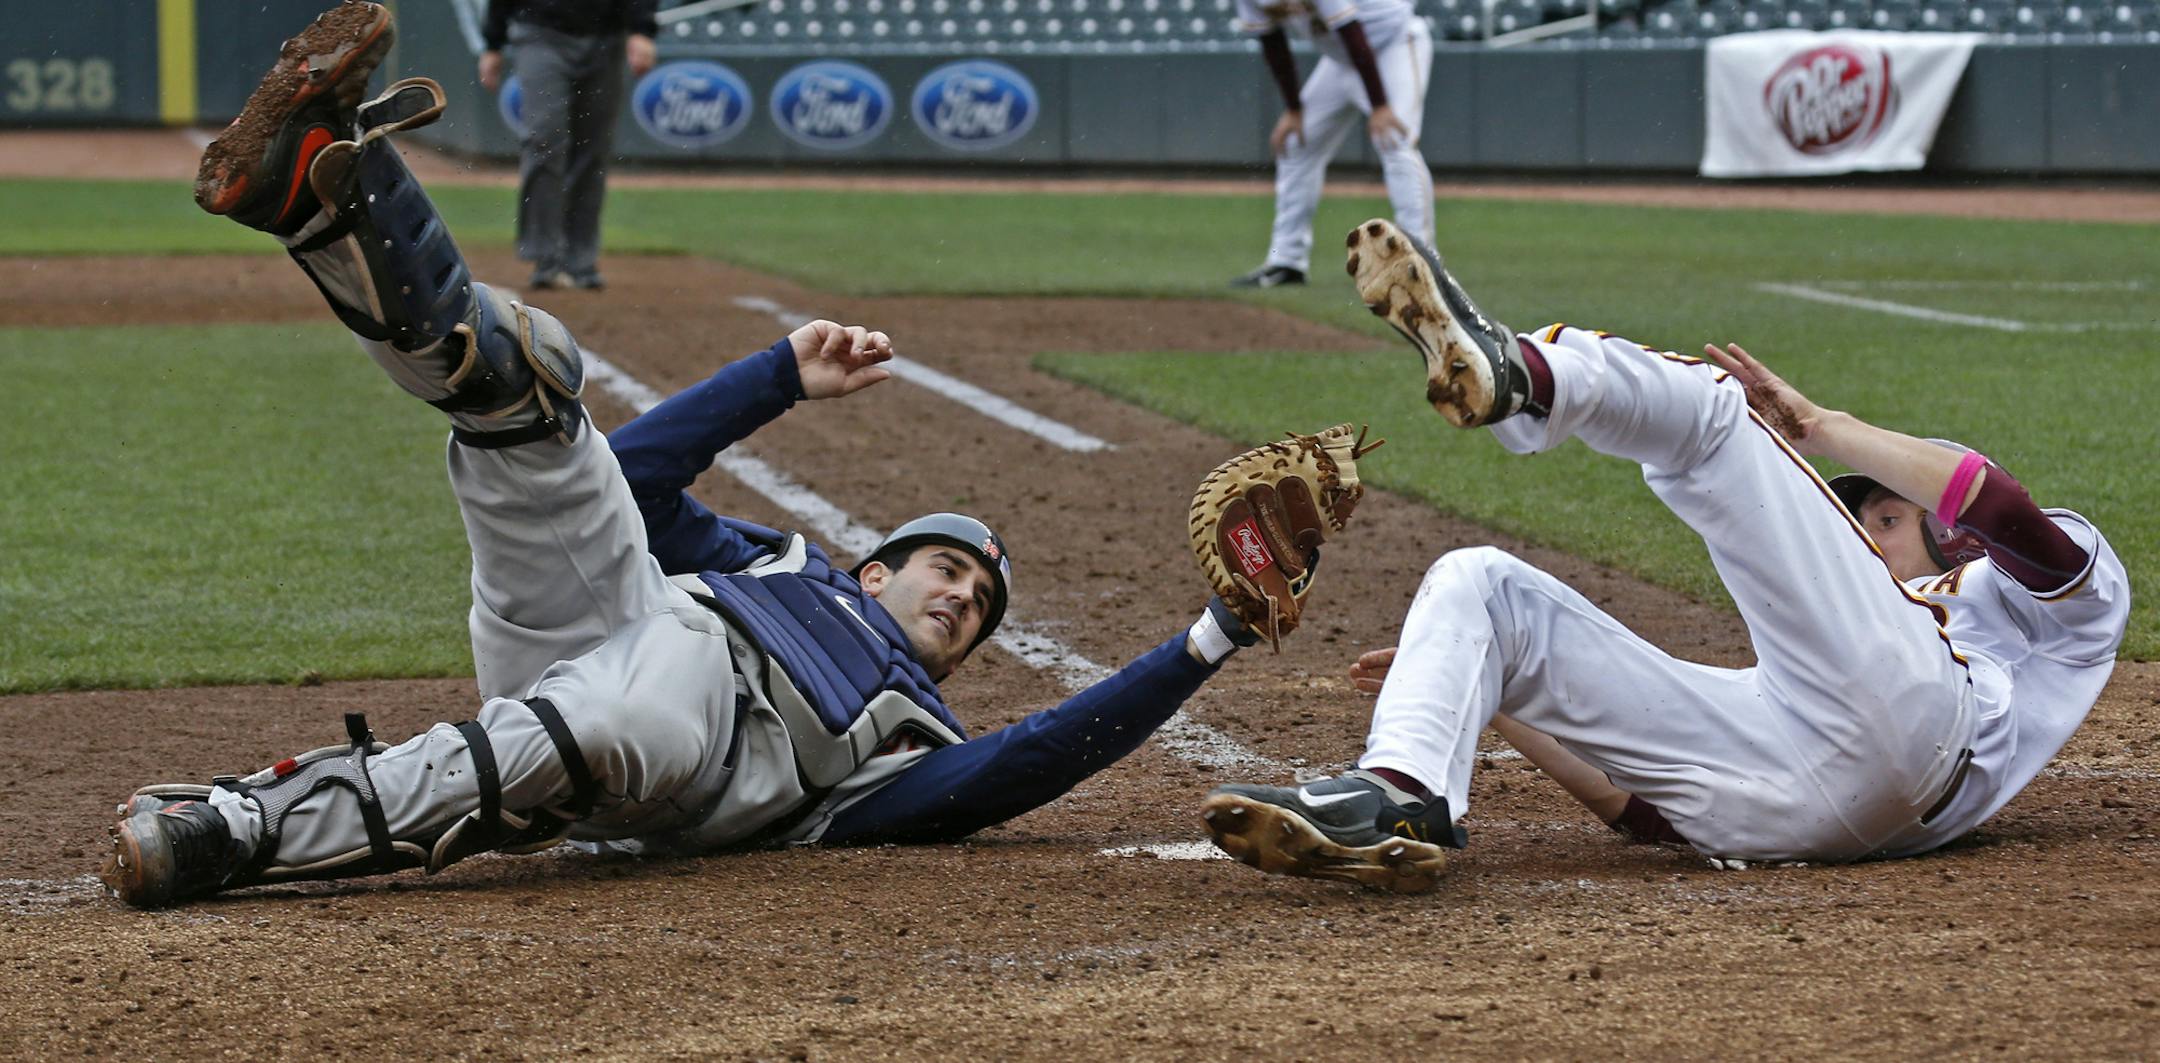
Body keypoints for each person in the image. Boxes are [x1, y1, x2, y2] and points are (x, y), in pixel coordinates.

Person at [106, 1, 1273, 908]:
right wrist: (776, 375)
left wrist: (1213, 634)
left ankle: (239, 828)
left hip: (682, 745)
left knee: (608, 721)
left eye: (979, 601)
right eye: (948, 566)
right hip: (614, 612)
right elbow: (639, 474)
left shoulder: (919, 744)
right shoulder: (779, 564)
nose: (964, 592)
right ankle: (321, 201)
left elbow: (1032, 759)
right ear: (875, 567)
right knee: (532, 384)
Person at [1201, 218, 2129, 891]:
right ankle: (1401, 791)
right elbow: (1639, 810)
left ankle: (1522, 373)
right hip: (1808, 805)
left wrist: (1821, 427)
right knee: (1479, 591)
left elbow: (2003, 505)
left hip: (1925, 732)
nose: (1858, 532)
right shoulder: (1844, 660)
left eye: (1882, 518)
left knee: (1718, 413)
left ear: (1947, 531)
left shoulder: (2043, 605)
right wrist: (1487, 691)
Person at [1228, 0, 1435, 290]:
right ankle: (1287, 262)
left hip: (1394, 43)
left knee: (1396, 142)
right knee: (1296, 144)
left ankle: (1422, 261)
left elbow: (1352, 30)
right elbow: (1272, 43)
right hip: (1342, 60)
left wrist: (1380, 105)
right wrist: (1294, 109)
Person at [478, 0, 658, 290]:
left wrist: (642, 29)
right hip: (539, 32)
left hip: (606, 37)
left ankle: (580, 260)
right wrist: (493, 43)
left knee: (592, 150)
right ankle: (545, 257)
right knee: (544, 140)